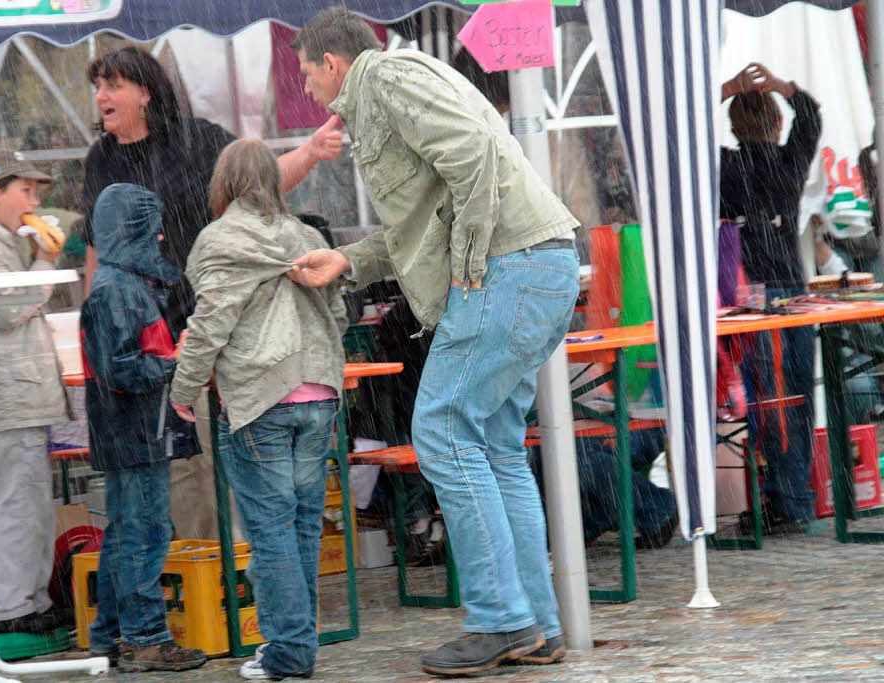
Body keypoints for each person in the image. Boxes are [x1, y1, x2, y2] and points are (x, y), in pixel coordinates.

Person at [288, 8, 580, 676]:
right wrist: (349, 261)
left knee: (444, 430)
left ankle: (502, 620)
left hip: (508, 268)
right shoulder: (389, 88)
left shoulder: (385, 77)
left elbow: (473, 156)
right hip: (536, 265)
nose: (306, 89)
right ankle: (535, 625)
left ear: (333, 64)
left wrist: (471, 265)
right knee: (496, 449)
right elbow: (426, 217)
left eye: (307, 74)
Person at [81, 45, 343, 542]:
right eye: (98, 87)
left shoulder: (196, 140)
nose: (101, 96)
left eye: (113, 85)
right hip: (147, 334)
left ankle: (241, 567)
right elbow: (97, 248)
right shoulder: (102, 159)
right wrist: (93, 320)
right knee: (183, 462)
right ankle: (204, 567)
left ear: (145, 92)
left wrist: (307, 153)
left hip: (212, 318)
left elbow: (261, 183)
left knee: (233, 450)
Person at [169, 138, 348, 680]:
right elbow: (338, 312)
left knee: (270, 534)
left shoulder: (219, 239)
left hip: (259, 400)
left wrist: (184, 388)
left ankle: (289, 653)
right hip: (319, 394)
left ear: (222, 184)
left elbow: (211, 322)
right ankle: (296, 645)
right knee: (298, 530)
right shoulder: (307, 235)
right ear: (273, 180)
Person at [79, 183, 204, 672]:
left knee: (127, 532)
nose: (159, 239)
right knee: (145, 534)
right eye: (151, 229)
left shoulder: (120, 285)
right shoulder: (117, 291)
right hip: (133, 433)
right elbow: (123, 371)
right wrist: (177, 361)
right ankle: (145, 638)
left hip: (131, 433)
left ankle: (110, 635)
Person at [0, 150, 72, 635]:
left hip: (17, 396)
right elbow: (5, 310)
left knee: (27, 501)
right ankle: (11, 608)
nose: (35, 200)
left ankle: (29, 600)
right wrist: (46, 261)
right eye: (25, 190)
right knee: (16, 503)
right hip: (9, 397)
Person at [720, 63, 822, 533]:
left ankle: (788, 499)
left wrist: (727, 90)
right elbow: (812, 116)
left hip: (751, 295)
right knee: (795, 395)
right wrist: (783, 87)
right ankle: (792, 495)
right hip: (793, 293)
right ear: (777, 123)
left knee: (770, 397)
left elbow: (678, 134)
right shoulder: (788, 164)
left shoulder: (724, 165)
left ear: (733, 125)